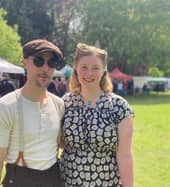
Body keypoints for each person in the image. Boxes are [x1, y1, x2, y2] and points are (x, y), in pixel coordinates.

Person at [0, 39, 64, 187]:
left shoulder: (59, 104)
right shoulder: (5, 107)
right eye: (39, 61)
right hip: (20, 181)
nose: (45, 68)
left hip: (53, 180)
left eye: (51, 63)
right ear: (25, 63)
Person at [60, 43, 134, 187]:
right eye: (84, 67)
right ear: (75, 68)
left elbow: (125, 156)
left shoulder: (119, 107)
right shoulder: (65, 103)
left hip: (107, 183)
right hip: (68, 182)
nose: (89, 74)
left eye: (95, 68)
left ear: (104, 70)